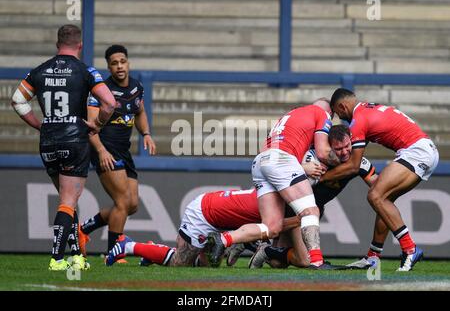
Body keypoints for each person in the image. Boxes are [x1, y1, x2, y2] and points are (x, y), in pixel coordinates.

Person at [10, 24, 116, 271]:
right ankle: (57, 259)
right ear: (80, 45)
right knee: (68, 201)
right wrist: (97, 124)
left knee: (67, 201)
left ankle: (77, 256)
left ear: (57, 45)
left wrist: (40, 125)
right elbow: (109, 103)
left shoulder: (40, 70)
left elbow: (17, 100)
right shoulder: (85, 71)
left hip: (48, 141)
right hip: (74, 140)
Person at [204, 99, 341, 269]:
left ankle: (223, 239)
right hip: (281, 160)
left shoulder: (290, 115)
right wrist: (347, 158)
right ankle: (317, 261)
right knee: (310, 211)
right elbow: (323, 152)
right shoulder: (322, 114)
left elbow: (266, 148)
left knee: (272, 227)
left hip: (261, 162)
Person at [320, 88, 439, 271]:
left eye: (338, 112)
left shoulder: (358, 121)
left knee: (375, 195)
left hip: (416, 152)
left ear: (342, 106)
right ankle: (373, 257)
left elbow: (353, 165)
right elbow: (355, 152)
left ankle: (410, 248)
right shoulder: (368, 110)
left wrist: (321, 177)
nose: (340, 117)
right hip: (424, 149)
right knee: (384, 199)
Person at [228, 125, 378, 269]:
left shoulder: (359, 163)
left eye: (347, 146)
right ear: (327, 148)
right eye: (338, 149)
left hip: (309, 213)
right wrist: (303, 169)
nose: (345, 152)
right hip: (296, 211)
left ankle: (261, 247)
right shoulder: (312, 159)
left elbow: (379, 186)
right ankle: (254, 238)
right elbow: (284, 176)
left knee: (277, 263)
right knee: (306, 260)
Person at [79, 44, 156, 258]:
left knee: (131, 206)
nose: (119, 66)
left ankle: (83, 229)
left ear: (128, 63)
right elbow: (91, 127)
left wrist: (146, 133)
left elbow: (139, 111)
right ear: (109, 67)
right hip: (106, 150)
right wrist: (101, 151)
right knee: (122, 202)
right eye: (114, 63)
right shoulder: (101, 91)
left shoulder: (136, 87)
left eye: (122, 61)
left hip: (124, 150)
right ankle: (114, 253)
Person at [104, 188, 301, 267]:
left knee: (208, 266)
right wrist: (303, 218)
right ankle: (127, 246)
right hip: (203, 214)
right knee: (179, 263)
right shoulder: (275, 206)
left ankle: (152, 251)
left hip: (217, 216)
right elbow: (273, 227)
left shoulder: (271, 194)